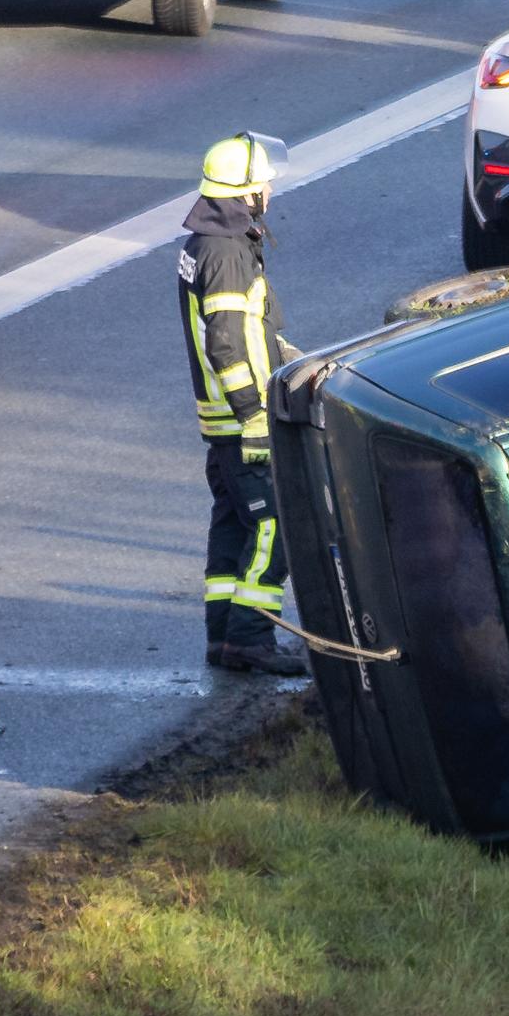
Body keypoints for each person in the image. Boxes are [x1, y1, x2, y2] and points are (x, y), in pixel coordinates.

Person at [182, 138, 309, 677]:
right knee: (275, 527)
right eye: (265, 183)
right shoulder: (228, 253)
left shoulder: (208, 242)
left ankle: (222, 637)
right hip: (243, 421)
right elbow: (228, 344)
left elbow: (244, 331)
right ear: (245, 192)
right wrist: (255, 417)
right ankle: (252, 638)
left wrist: (286, 355)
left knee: (234, 522)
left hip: (222, 420)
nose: (270, 190)